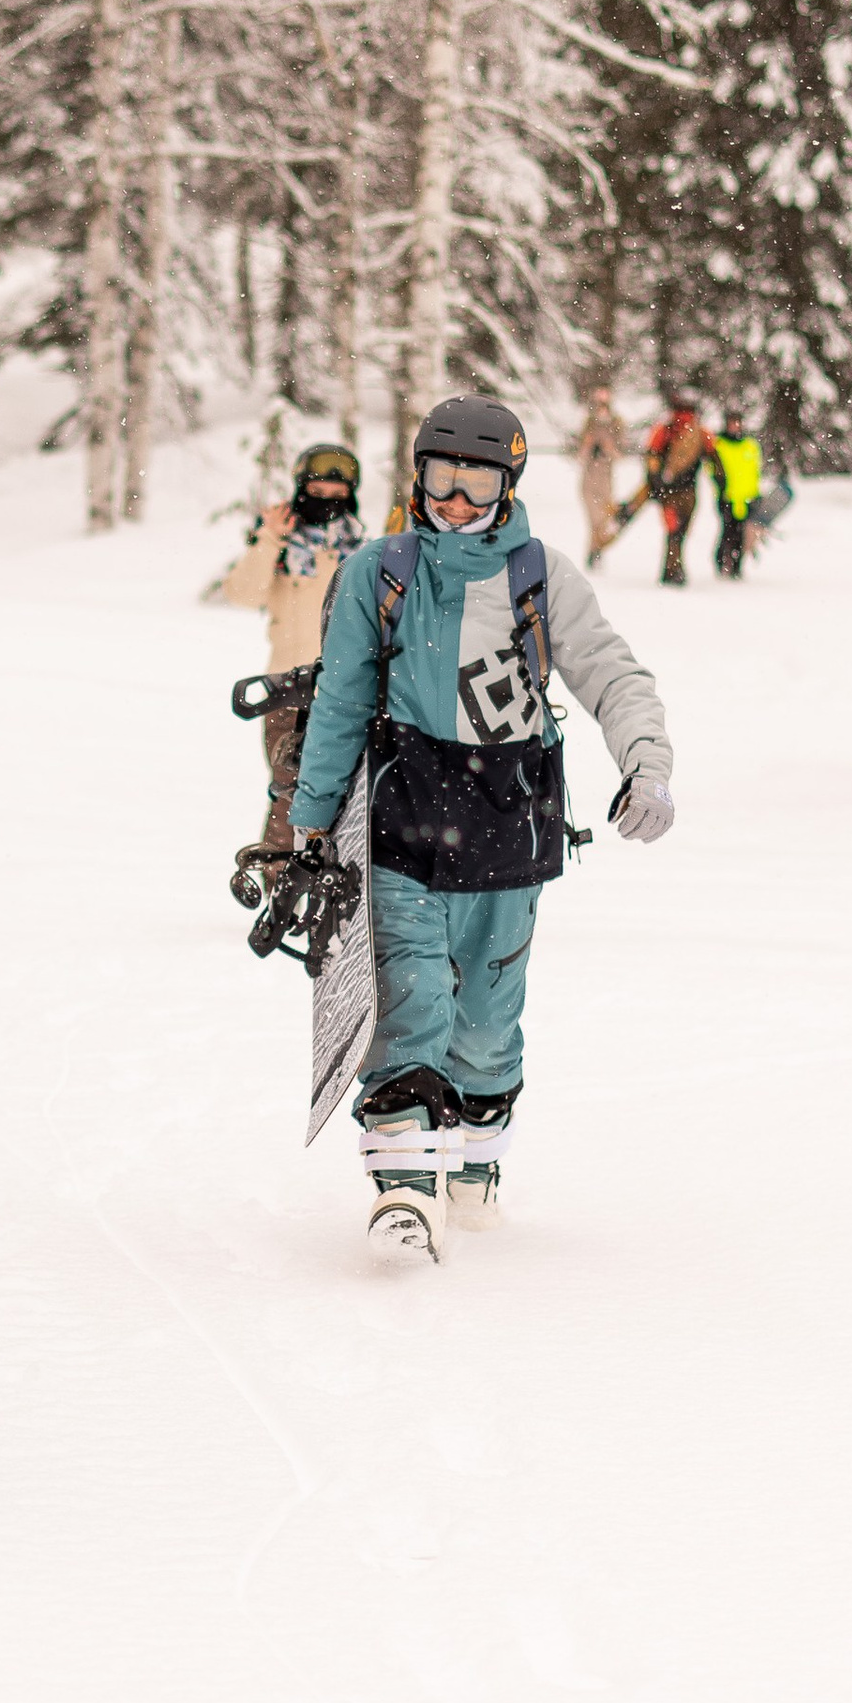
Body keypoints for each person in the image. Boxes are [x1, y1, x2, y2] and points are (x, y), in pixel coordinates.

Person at [285, 394, 674, 1261]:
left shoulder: (542, 576)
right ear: (416, 476)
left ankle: (476, 1159)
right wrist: (309, 825)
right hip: (402, 819)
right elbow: (339, 705)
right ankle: (405, 1194)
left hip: (511, 825)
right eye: (440, 478)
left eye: (477, 483)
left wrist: (646, 763)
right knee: (410, 997)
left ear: (510, 484)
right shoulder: (379, 573)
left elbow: (612, 674)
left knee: (489, 1023)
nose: (455, 501)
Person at [215, 439, 363, 883]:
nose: (328, 501)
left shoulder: (361, 552)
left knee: (350, 794)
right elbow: (242, 593)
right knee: (291, 789)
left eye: (338, 493)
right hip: (289, 693)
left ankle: (339, 880)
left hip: (349, 693)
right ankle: (282, 882)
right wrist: (269, 537)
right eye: (318, 490)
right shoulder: (280, 550)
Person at [639, 393, 714, 586]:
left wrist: (655, 481)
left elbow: (652, 456)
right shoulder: (699, 433)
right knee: (679, 530)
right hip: (685, 489)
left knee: (675, 530)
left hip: (669, 489)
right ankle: (674, 568)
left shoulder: (666, 430)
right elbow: (713, 458)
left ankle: (671, 568)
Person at [575, 384, 628, 563]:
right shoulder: (588, 423)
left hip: (606, 480)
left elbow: (621, 454)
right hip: (589, 480)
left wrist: (609, 448)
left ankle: (595, 551)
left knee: (603, 519)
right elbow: (578, 455)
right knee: (594, 518)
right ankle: (595, 551)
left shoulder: (617, 423)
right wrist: (587, 445)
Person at [708, 414, 763, 577]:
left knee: (741, 533)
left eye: (737, 423)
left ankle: (737, 566)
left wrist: (755, 493)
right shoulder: (719, 444)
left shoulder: (750, 445)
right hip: (727, 496)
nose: (735, 427)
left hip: (747, 497)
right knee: (728, 531)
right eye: (732, 424)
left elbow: (754, 471)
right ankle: (721, 562)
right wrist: (721, 487)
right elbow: (712, 470)